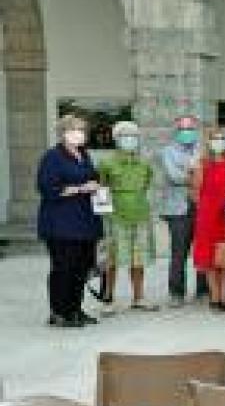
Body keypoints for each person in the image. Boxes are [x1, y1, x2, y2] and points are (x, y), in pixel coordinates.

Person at [36, 114, 105, 328]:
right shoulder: (52, 157)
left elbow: (92, 176)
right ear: (64, 133)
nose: (80, 134)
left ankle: (75, 310)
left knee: (81, 269)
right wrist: (80, 188)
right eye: (75, 130)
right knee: (64, 268)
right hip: (61, 224)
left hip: (85, 223)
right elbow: (47, 188)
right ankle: (59, 313)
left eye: (83, 130)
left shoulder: (84, 154)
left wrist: (95, 183)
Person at [97, 121, 158, 314]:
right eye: (125, 136)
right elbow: (101, 190)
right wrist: (104, 216)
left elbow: (146, 184)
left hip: (140, 215)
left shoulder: (144, 163)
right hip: (115, 218)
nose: (130, 139)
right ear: (117, 139)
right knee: (112, 260)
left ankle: (138, 297)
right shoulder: (106, 163)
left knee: (138, 259)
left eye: (133, 136)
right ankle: (109, 299)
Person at [159, 115, 200, 307]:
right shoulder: (168, 151)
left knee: (202, 250)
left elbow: (208, 173)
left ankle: (203, 290)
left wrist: (191, 172)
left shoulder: (202, 149)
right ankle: (176, 292)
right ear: (176, 131)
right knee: (178, 252)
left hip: (201, 206)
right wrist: (195, 175)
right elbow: (174, 176)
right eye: (183, 128)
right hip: (178, 208)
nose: (187, 132)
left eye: (190, 128)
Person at [192, 129, 225, 310]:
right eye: (215, 139)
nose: (218, 142)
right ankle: (214, 297)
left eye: (221, 139)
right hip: (207, 216)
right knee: (209, 258)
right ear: (208, 143)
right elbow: (195, 192)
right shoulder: (202, 164)